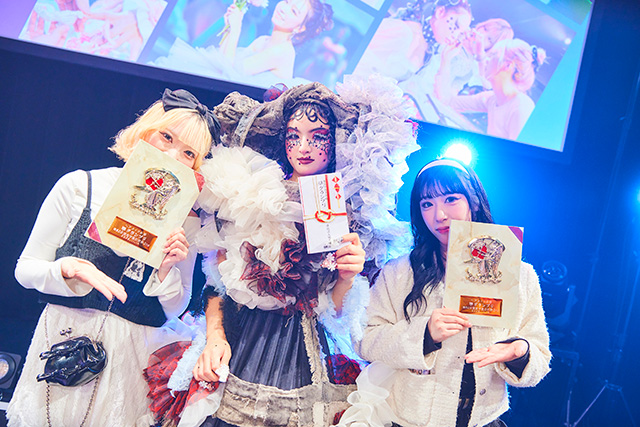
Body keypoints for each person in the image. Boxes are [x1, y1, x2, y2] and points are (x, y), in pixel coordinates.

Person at [143, 75, 420, 426]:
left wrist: (347, 278)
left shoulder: (350, 213)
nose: (304, 147)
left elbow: (334, 312)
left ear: (335, 141)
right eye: (294, 136)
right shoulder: (251, 191)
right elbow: (217, 284)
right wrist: (214, 337)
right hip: (239, 338)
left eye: (317, 136)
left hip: (307, 352)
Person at [7, 89, 220, 427]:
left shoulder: (187, 220)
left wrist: (166, 270)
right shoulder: (81, 186)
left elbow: (174, 310)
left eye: (189, 153)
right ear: (145, 131)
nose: (173, 155)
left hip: (129, 359)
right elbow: (25, 269)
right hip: (61, 342)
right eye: (167, 137)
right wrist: (68, 269)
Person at [350, 158, 551, 427]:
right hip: (410, 420)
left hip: (484, 419)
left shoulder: (519, 274)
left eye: (451, 199)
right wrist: (425, 334)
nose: (439, 215)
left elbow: (540, 357)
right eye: (427, 204)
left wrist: (521, 352)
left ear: (474, 201)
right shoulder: (399, 271)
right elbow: (365, 340)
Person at [151, 0, 333, 86]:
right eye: (286, 1)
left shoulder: (284, 52)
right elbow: (223, 61)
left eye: (293, 11)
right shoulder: (263, 40)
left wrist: (237, 28)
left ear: (300, 28)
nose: (284, 9)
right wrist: (230, 28)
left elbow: (231, 74)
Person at [435, 38, 546, 140]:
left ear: (508, 65)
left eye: (493, 55)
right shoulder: (492, 99)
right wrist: (446, 59)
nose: (487, 59)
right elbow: (448, 101)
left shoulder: (522, 106)